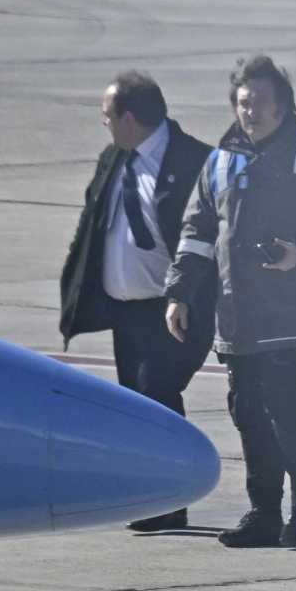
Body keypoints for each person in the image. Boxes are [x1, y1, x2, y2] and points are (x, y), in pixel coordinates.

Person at [164, 56, 296, 548]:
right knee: (247, 411)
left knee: (284, 407)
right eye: (242, 102)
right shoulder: (220, 160)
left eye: (259, 103)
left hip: (293, 311)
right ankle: (264, 513)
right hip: (237, 314)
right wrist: (180, 292)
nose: (249, 112)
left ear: (283, 108)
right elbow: (199, 230)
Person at [58, 70, 213, 532]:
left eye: (107, 115)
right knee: (136, 405)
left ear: (128, 117)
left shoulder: (193, 161)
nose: (103, 123)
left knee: (158, 400)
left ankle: (172, 498)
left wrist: (190, 295)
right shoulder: (114, 159)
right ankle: (153, 496)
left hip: (172, 308)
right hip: (124, 310)